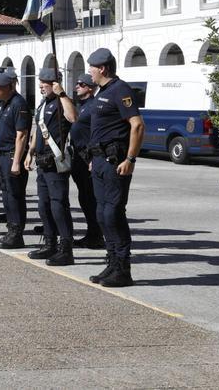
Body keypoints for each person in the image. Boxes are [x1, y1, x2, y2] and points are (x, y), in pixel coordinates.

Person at [86, 47, 145, 288]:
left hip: (115, 162)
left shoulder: (121, 90)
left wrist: (130, 159)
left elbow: (137, 125)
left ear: (102, 68)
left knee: (113, 214)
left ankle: (123, 268)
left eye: (91, 67)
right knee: (102, 214)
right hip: (99, 160)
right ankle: (111, 263)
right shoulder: (104, 91)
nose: (88, 72)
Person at [26, 68, 78, 265]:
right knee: (44, 206)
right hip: (41, 161)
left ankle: (66, 249)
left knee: (58, 206)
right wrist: (30, 152)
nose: (40, 85)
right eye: (40, 81)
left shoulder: (61, 102)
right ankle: (50, 244)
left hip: (55, 162)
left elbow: (73, 118)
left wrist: (62, 93)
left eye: (45, 82)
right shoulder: (43, 104)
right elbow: (37, 131)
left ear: (55, 84)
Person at [0, 72, 30, 249]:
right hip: (3, 154)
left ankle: (16, 234)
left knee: (15, 196)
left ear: (9, 87)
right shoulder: (3, 104)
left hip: (13, 155)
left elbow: (21, 135)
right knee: (6, 194)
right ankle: (10, 230)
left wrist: (16, 162)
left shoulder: (18, 104)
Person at [68, 74, 102, 248]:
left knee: (91, 198)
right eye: (77, 83)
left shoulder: (93, 106)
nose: (77, 86)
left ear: (90, 87)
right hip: (78, 157)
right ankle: (92, 233)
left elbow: (97, 133)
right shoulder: (81, 106)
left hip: (88, 157)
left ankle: (96, 235)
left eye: (81, 84)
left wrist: (94, 157)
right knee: (85, 198)